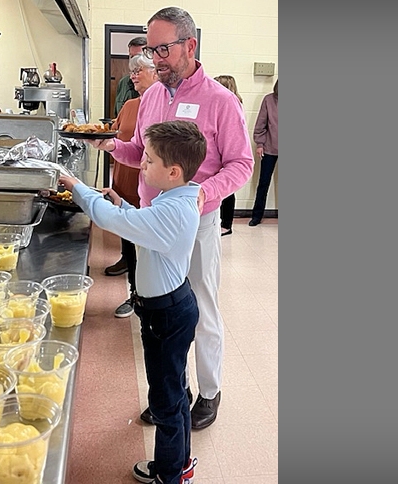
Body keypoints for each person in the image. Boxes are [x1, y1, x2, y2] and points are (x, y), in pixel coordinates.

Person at [89, 6, 254, 433]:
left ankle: (210, 392)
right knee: (160, 312)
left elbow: (241, 164)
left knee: (200, 307)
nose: (156, 58)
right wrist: (112, 146)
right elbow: (143, 154)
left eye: (163, 48)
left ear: (190, 45)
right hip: (151, 220)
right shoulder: (151, 99)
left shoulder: (220, 101)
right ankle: (171, 391)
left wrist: (203, 192)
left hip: (194, 225)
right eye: (151, 48)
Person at [60, 120, 206, 484]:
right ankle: (180, 462)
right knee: (175, 390)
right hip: (172, 308)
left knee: (166, 400)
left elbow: (110, 219)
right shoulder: (176, 198)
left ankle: (170, 474)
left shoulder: (170, 212)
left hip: (167, 315)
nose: (141, 164)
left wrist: (78, 189)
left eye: (149, 160)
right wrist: (123, 202)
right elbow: (136, 221)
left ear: (173, 172)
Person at [107, 55, 160, 319]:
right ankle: (134, 292)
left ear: (156, 72)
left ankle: (149, 296)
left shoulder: (164, 105)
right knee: (129, 236)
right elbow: (115, 134)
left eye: (139, 70)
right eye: (132, 71)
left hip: (152, 188)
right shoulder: (129, 105)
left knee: (149, 246)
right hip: (125, 179)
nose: (134, 75)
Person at [214, 75, 245, 236]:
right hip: (219, 152)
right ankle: (221, 222)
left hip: (227, 153)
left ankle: (227, 224)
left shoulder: (233, 104)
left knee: (228, 191)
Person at [249, 79, 278, 226]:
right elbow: (261, 123)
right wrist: (259, 143)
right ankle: (256, 216)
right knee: (263, 183)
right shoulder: (269, 99)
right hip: (270, 147)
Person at [112, 36, 148, 117]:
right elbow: (117, 115)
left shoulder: (158, 85)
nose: (134, 61)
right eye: (131, 57)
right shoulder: (123, 83)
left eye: (138, 56)